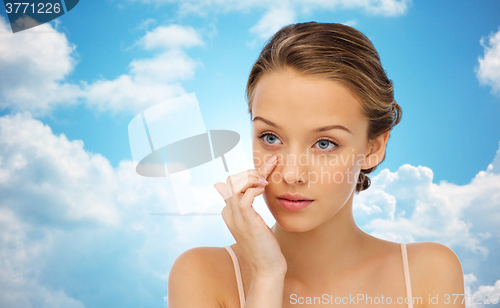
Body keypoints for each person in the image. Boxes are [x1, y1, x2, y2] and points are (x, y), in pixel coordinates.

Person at [168, 22, 465, 308]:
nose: (292, 174)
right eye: (270, 137)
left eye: (324, 143)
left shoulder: (428, 273)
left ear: (373, 148)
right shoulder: (202, 274)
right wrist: (267, 276)